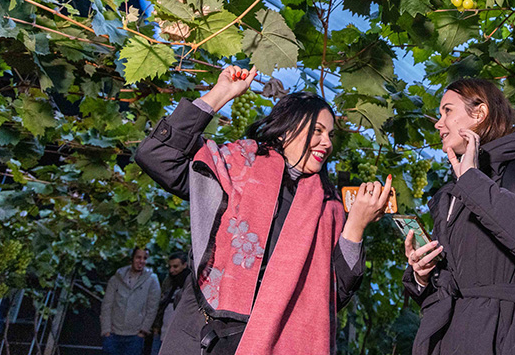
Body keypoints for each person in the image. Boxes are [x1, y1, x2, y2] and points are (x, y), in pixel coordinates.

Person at [135, 65, 391, 355]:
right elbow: (157, 155)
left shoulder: (328, 205)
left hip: (276, 340)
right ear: (285, 130)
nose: (327, 143)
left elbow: (333, 295)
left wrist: (355, 226)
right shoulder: (237, 167)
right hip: (205, 335)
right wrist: (221, 94)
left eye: (331, 135)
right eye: (317, 131)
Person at [403, 78, 515, 355]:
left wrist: (473, 181)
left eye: (447, 111)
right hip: (453, 340)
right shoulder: (451, 192)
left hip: (514, 339)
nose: (438, 123)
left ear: (479, 113)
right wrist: (423, 275)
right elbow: (449, 286)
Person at [100, 248, 161, 355]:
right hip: (113, 333)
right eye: (138, 257)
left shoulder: (152, 280)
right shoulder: (116, 279)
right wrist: (106, 330)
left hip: (135, 335)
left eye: (145, 258)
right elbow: (107, 305)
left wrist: (143, 331)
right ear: (132, 259)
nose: (141, 261)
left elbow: (152, 307)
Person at [150, 251, 191, 355]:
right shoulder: (168, 282)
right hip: (162, 330)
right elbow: (161, 305)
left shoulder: (190, 284)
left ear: (185, 265)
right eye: (170, 266)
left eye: (175, 266)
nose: (172, 270)